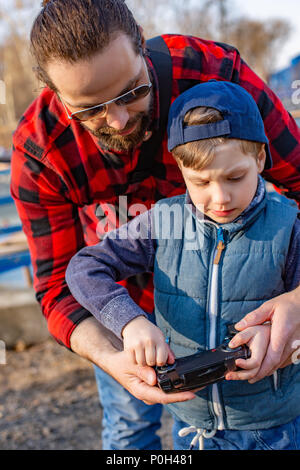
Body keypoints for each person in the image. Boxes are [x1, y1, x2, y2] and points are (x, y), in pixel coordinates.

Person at [10, 0, 300, 450]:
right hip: (116, 312)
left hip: (247, 315)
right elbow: (57, 286)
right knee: (129, 431)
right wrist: (115, 347)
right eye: (90, 109)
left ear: (142, 45)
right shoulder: (41, 153)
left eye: (130, 92)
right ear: (52, 92)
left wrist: (298, 301)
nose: (119, 121)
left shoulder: (214, 77)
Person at [66, 81, 300, 450]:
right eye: (201, 181)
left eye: (235, 178)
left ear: (260, 159)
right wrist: (130, 323)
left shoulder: (288, 226)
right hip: (192, 428)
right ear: (180, 169)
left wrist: (282, 338)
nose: (220, 197)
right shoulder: (163, 220)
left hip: (271, 427)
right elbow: (85, 268)